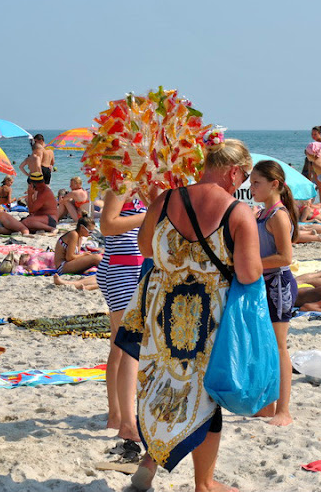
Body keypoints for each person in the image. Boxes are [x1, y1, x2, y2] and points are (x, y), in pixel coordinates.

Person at [121, 138, 261, 492]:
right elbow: (248, 274)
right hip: (207, 318)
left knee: (158, 382)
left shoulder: (167, 198)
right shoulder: (237, 211)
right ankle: (205, 483)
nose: (242, 184)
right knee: (205, 396)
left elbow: (145, 247)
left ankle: (148, 463)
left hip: (163, 311)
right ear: (232, 171)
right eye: (243, 177)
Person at [97, 188, 148, 453]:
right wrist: (147, 217)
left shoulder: (137, 186)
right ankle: (127, 422)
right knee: (130, 345)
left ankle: (116, 415)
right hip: (122, 269)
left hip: (125, 266)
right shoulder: (120, 185)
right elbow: (107, 225)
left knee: (119, 347)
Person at [249, 160, 299, 427]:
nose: (251, 186)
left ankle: (284, 410)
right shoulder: (261, 213)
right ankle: (268, 405)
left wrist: (250, 263)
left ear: (274, 184)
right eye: (251, 181)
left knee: (279, 348)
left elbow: (285, 257)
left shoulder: (278, 215)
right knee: (264, 347)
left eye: (256, 182)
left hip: (278, 285)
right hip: (263, 283)